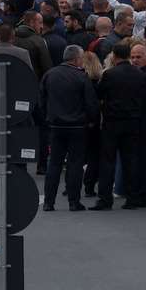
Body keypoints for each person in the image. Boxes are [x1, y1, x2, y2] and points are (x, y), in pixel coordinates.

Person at [91, 43, 146, 210]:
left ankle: (105, 199)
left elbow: (99, 94)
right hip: (133, 122)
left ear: (114, 56)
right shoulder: (140, 75)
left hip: (112, 122)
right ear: (128, 56)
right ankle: (132, 198)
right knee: (130, 161)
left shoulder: (110, 74)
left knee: (107, 161)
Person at [38, 45, 98, 211]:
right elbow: (90, 103)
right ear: (77, 59)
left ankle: (49, 202)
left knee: (54, 164)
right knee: (75, 164)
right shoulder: (81, 77)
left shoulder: (50, 74)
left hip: (56, 125)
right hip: (77, 126)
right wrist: (92, 120)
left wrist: (47, 117)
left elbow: (41, 100)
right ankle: (74, 201)